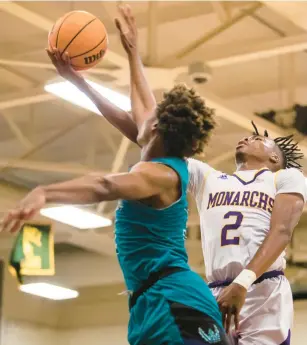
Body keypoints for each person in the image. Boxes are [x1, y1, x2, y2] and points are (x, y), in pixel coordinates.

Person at [45, 5, 307, 345]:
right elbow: (147, 130)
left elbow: (283, 230)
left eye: (259, 138)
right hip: (214, 292)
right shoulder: (208, 177)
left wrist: (243, 281)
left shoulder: (285, 178)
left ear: (274, 156)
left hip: (261, 285)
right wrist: (110, 67)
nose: (247, 136)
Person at [1, 61, 229, 345]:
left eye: (148, 116)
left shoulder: (159, 174)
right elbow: (142, 103)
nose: (139, 115)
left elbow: (105, 185)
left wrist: (45, 192)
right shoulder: (163, 160)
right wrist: (111, 65)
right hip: (156, 300)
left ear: (155, 127)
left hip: (173, 299)